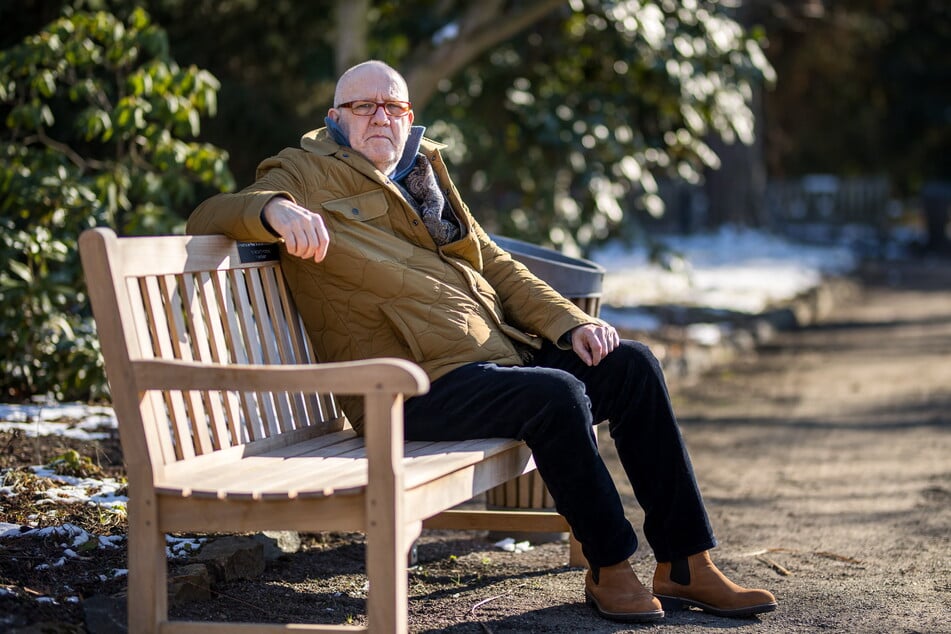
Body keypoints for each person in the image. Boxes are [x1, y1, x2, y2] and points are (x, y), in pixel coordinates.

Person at [187, 60, 777, 623]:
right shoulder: (306, 170)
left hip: (491, 357)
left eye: (392, 106)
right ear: (336, 117)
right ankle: (611, 566)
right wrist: (275, 212)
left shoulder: (423, 171)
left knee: (632, 366)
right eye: (363, 106)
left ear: (408, 115)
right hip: (408, 386)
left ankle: (685, 563)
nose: (380, 117)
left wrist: (571, 322)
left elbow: (492, 261)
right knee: (558, 396)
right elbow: (211, 213)